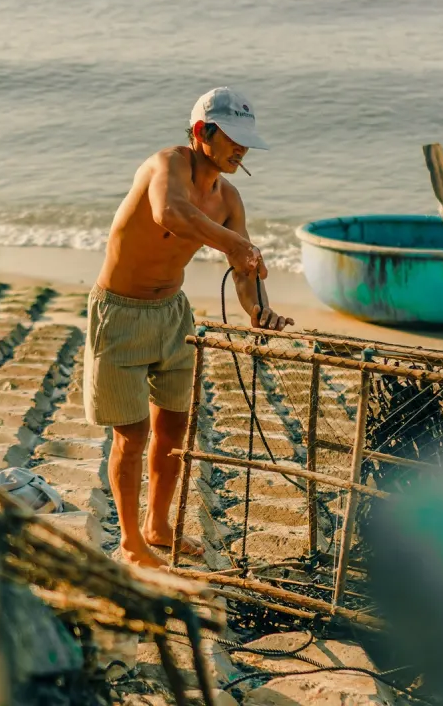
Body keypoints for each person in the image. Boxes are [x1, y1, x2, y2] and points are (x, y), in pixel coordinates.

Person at [83, 86, 294, 569]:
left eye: (246, 141)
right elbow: (170, 214)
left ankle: (158, 524)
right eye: (232, 139)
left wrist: (260, 311)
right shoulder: (167, 165)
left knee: (174, 431)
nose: (240, 149)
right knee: (131, 437)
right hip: (120, 311)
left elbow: (244, 270)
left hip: (173, 314)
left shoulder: (229, 198)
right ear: (203, 133)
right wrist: (234, 244)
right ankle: (132, 542)